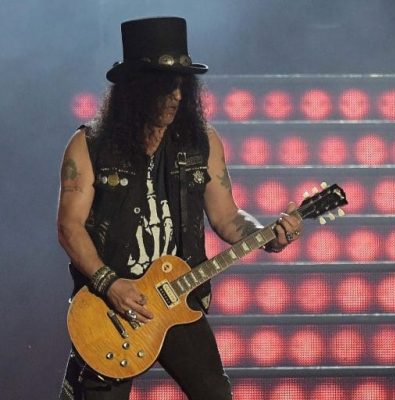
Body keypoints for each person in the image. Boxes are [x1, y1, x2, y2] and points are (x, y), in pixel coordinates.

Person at [57, 17, 303, 400]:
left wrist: (268, 235)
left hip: (177, 298)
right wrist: (109, 283)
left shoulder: (202, 143)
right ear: (136, 89)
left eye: (181, 86)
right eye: (164, 87)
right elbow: (69, 227)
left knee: (216, 394)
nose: (175, 96)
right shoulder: (89, 145)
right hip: (111, 306)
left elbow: (227, 217)